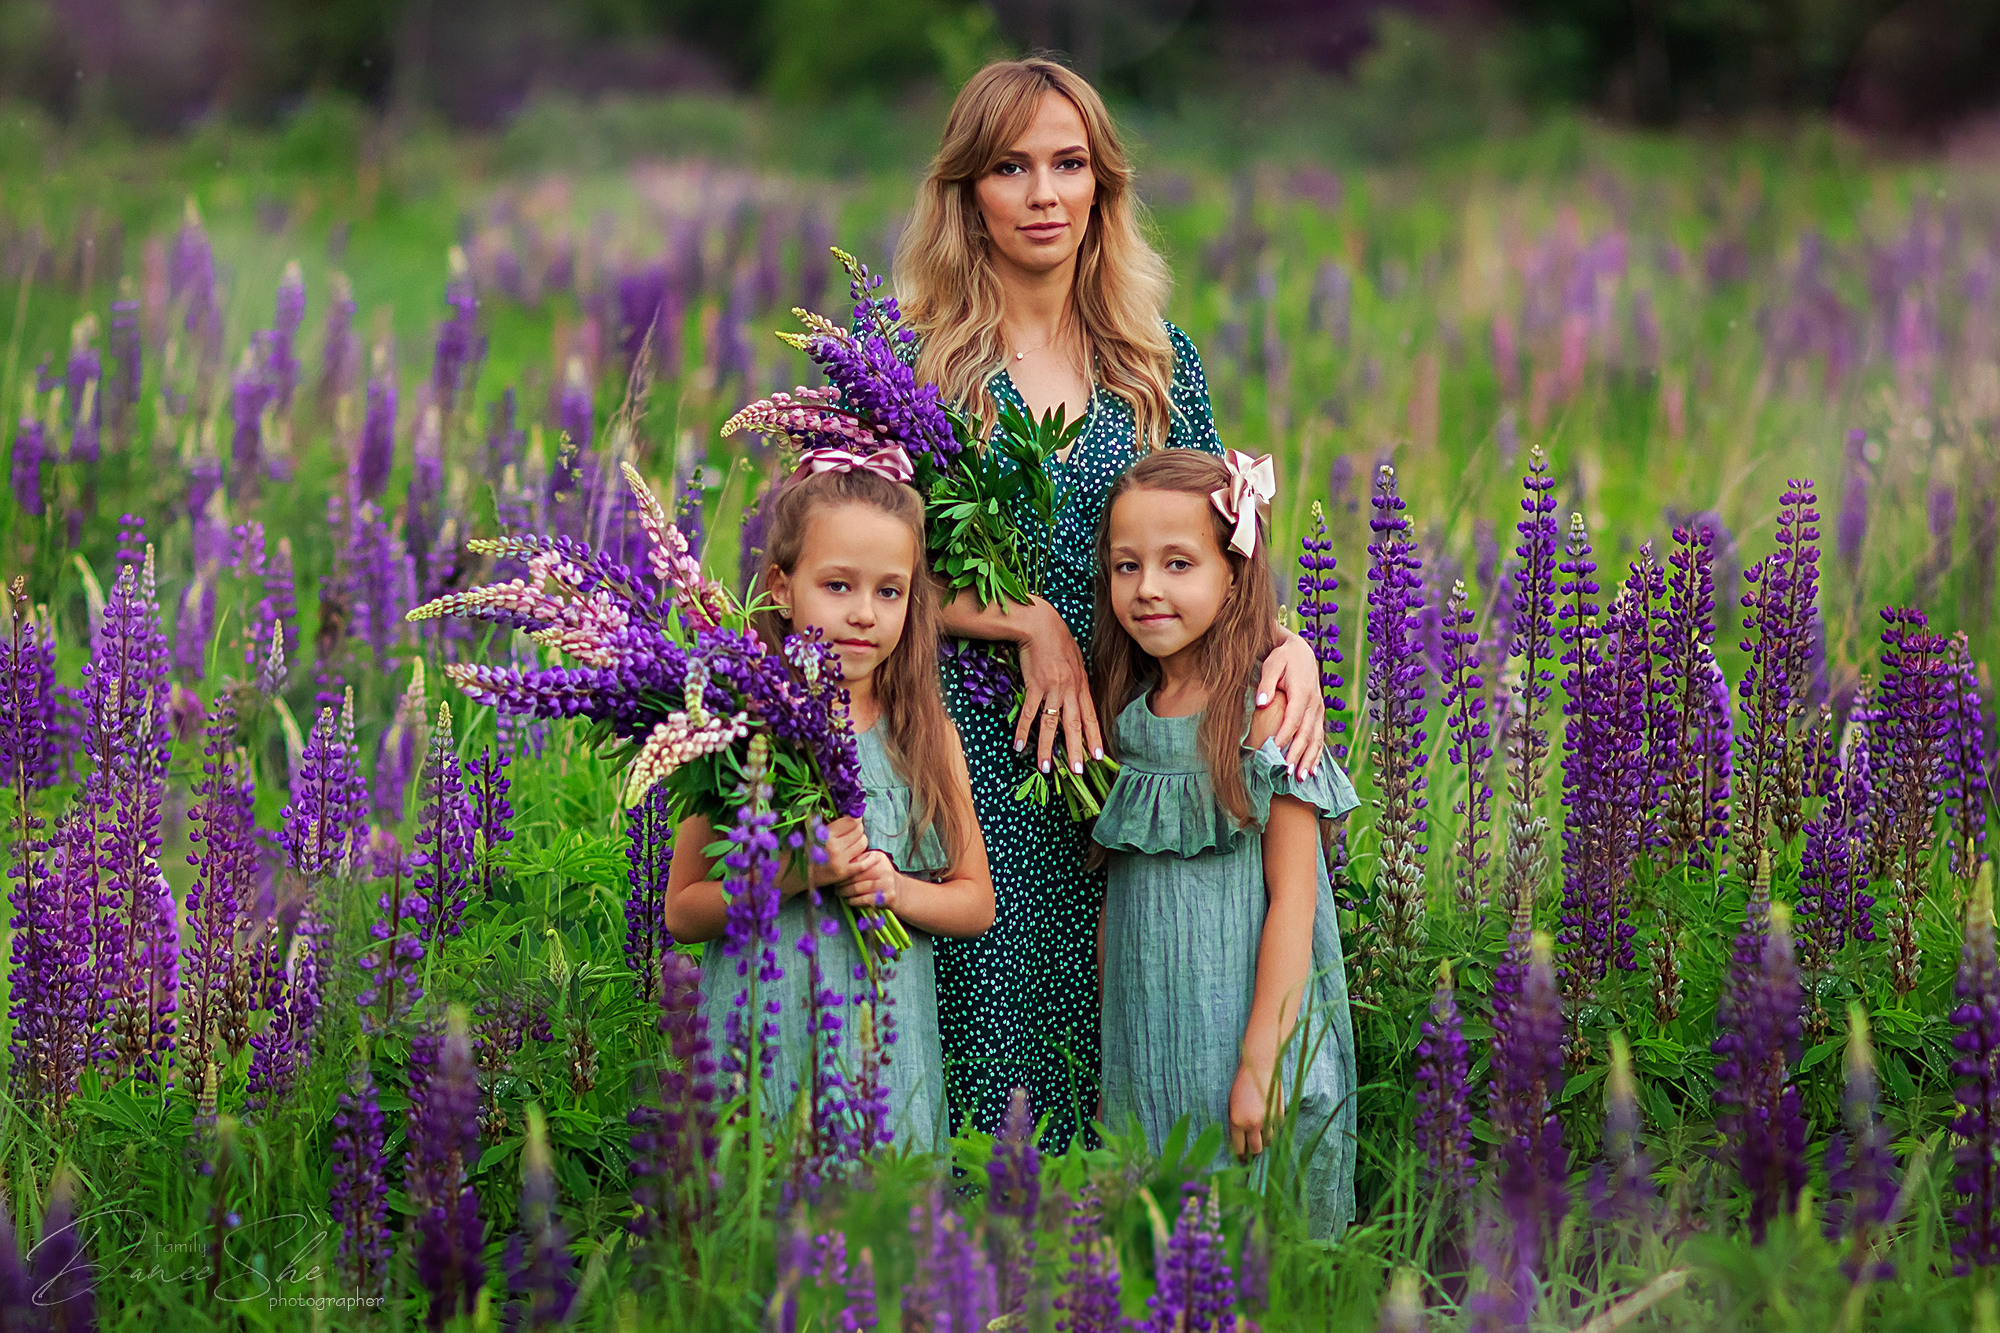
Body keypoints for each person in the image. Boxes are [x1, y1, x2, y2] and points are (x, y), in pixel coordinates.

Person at [892, 56, 1329, 1147]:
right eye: (1010, 167)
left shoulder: (1154, 364)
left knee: (1134, 1025)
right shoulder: (918, 366)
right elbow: (858, 567)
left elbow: (1212, 553)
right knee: (990, 1031)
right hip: (973, 747)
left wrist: (1291, 644)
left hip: (1133, 754)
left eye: (1067, 164)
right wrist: (1023, 619)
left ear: (1100, 186)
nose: (1042, 194)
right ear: (966, 194)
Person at [662, 449, 994, 1154]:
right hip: (763, 1031)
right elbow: (684, 908)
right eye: (838, 584)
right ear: (781, 587)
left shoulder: (925, 733)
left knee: (879, 1236)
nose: (863, 614)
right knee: (761, 1231)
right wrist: (794, 873)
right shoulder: (740, 724)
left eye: (889, 591)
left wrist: (894, 887)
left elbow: (974, 901)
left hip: (885, 1045)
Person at [1090, 448, 1360, 1239]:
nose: (1148, 588)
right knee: (1155, 1248)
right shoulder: (1129, 713)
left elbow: (1295, 897)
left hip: (1248, 1027)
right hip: (1151, 1032)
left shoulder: (1265, 710)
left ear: (1235, 575)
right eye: (1126, 565)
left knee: (1259, 1241)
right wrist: (1115, 1055)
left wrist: (1261, 1061)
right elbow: (1122, 901)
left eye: (1179, 563)